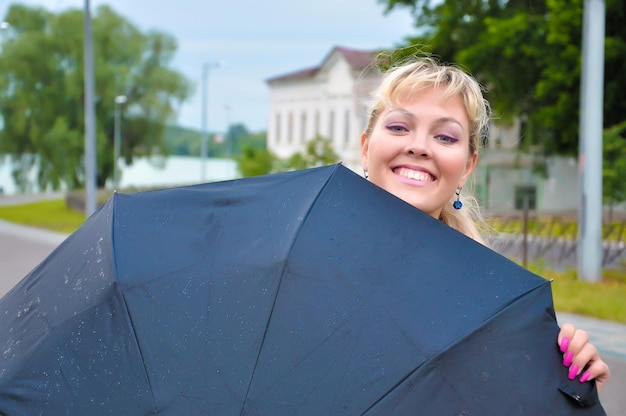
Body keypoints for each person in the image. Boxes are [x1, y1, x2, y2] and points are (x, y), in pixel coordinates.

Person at [359, 56, 610, 391]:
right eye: (398, 127)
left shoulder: (496, 307)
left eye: (445, 137)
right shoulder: (299, 261)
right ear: (365, 148)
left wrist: (569, 393)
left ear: (467, 166)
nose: (418, 147)